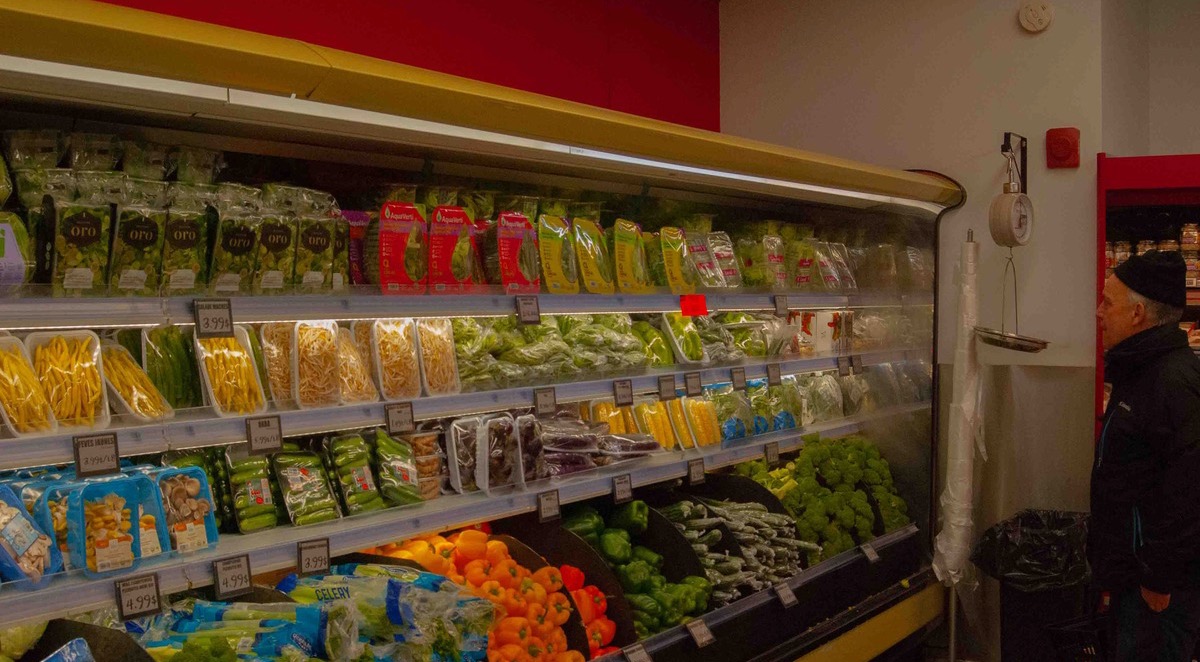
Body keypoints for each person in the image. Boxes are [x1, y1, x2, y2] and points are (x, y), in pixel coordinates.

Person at [1094, 250, 1200, 661]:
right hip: (1133, 580)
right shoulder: (1140, 372)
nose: (1099, 313)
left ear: (1137, 313)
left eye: (1107, 302)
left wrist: (1158, 577)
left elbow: (1191, 494)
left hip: (1157, 591)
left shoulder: (1174, 383)